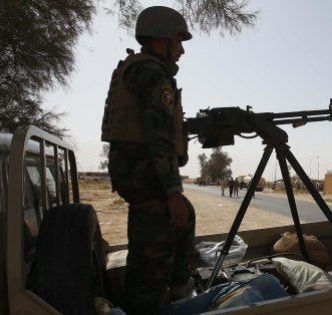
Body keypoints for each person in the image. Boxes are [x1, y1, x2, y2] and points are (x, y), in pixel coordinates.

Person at [101, 6, 195, 315]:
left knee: (182, 221)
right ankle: (151, 304)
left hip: (136, 174)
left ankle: (179, 293)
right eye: (177, 41)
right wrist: (172, 192)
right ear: (159, 39)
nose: (181, 50)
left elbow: (154, 127)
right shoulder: (152, 72)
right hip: (145, 176)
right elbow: (158, 136)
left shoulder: (140, 67)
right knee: (151, 265)